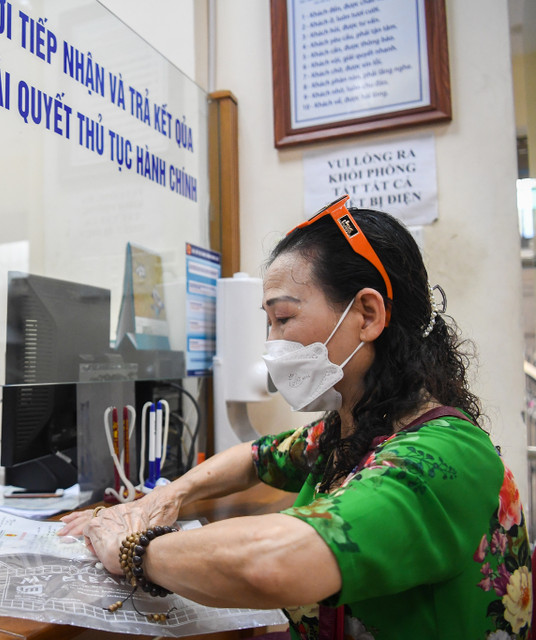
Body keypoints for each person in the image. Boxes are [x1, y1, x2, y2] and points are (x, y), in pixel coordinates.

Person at [59, 196, 532, 638]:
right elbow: (256, 457)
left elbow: (273, 562)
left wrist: (130, 549)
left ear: (367, 315)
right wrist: (167, 496)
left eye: (283, 319)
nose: (273, 344)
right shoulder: (350, 430)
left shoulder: (442, 456)